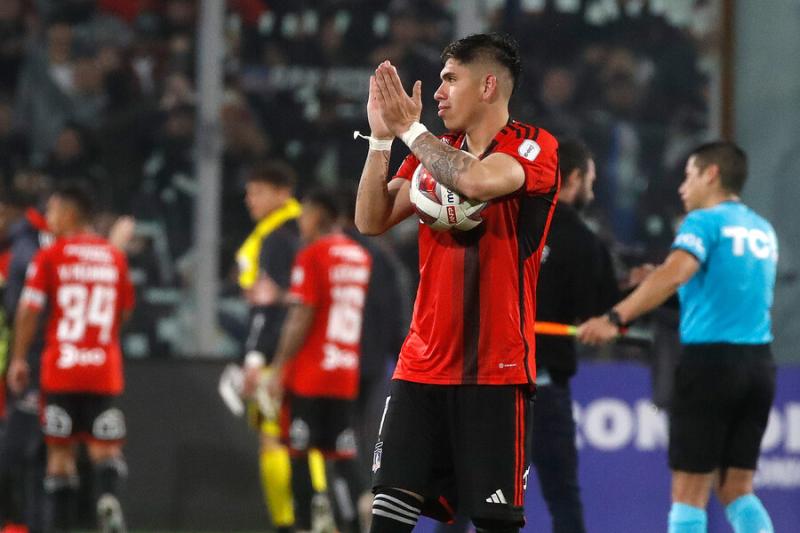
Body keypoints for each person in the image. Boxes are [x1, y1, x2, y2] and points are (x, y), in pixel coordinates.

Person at [355, 33, 560, 533]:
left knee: (493, 523)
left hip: (495, 371)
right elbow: (370, 218)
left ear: (488, 85)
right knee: (387, 514)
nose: (439, 92)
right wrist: (383, 139)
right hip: (420, 366)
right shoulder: (434, 150)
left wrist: (410, 130)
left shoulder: (533, 145)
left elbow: (477, 182)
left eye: (450, 79)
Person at [578, 141, 778, 533]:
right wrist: (658, 275)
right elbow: (723, 288)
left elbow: (676, 275)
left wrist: (615, 318)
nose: (683, 188)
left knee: (688, 496)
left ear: (711, 174)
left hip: (709, 366)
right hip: (759, 368)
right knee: (738, 491)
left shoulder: (703, 222)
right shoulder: (762, 229)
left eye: (688, 176)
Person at [6, 182, 135, 533]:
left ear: (67, 213)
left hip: (61, 369)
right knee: (103, 447)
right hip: (103, 368)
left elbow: (29, 310)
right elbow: (123, 311)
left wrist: (18, 359)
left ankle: (61, 528)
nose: (48, 218)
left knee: (59, 454)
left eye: (52, 211)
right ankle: (107, 497)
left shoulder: (50, 255)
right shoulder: (114, 257)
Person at [267, 189, 372, 533]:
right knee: (340, 457)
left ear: (319, 214)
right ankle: (357, 518)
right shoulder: (359, 257)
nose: (300, 222)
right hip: (344, 372)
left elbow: (302, 316)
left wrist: (280, 367)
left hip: (310, 374)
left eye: (305, 214)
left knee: (298, 453)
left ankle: (306, 523)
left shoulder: (312, 255)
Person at [532, 139, 619, 533]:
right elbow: (601, 313)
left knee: (467, 495)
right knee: (563, 497)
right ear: (576, 177)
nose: (593, 191)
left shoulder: (510, 221)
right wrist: (634, 293)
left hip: (487, 384)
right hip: (543, 386)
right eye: (592, 181)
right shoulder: (584, 241)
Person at [0, 187, 50, 533]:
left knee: (21, 453)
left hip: (13, 366)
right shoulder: (24, 249)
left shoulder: (21, 252)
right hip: (16, 363)